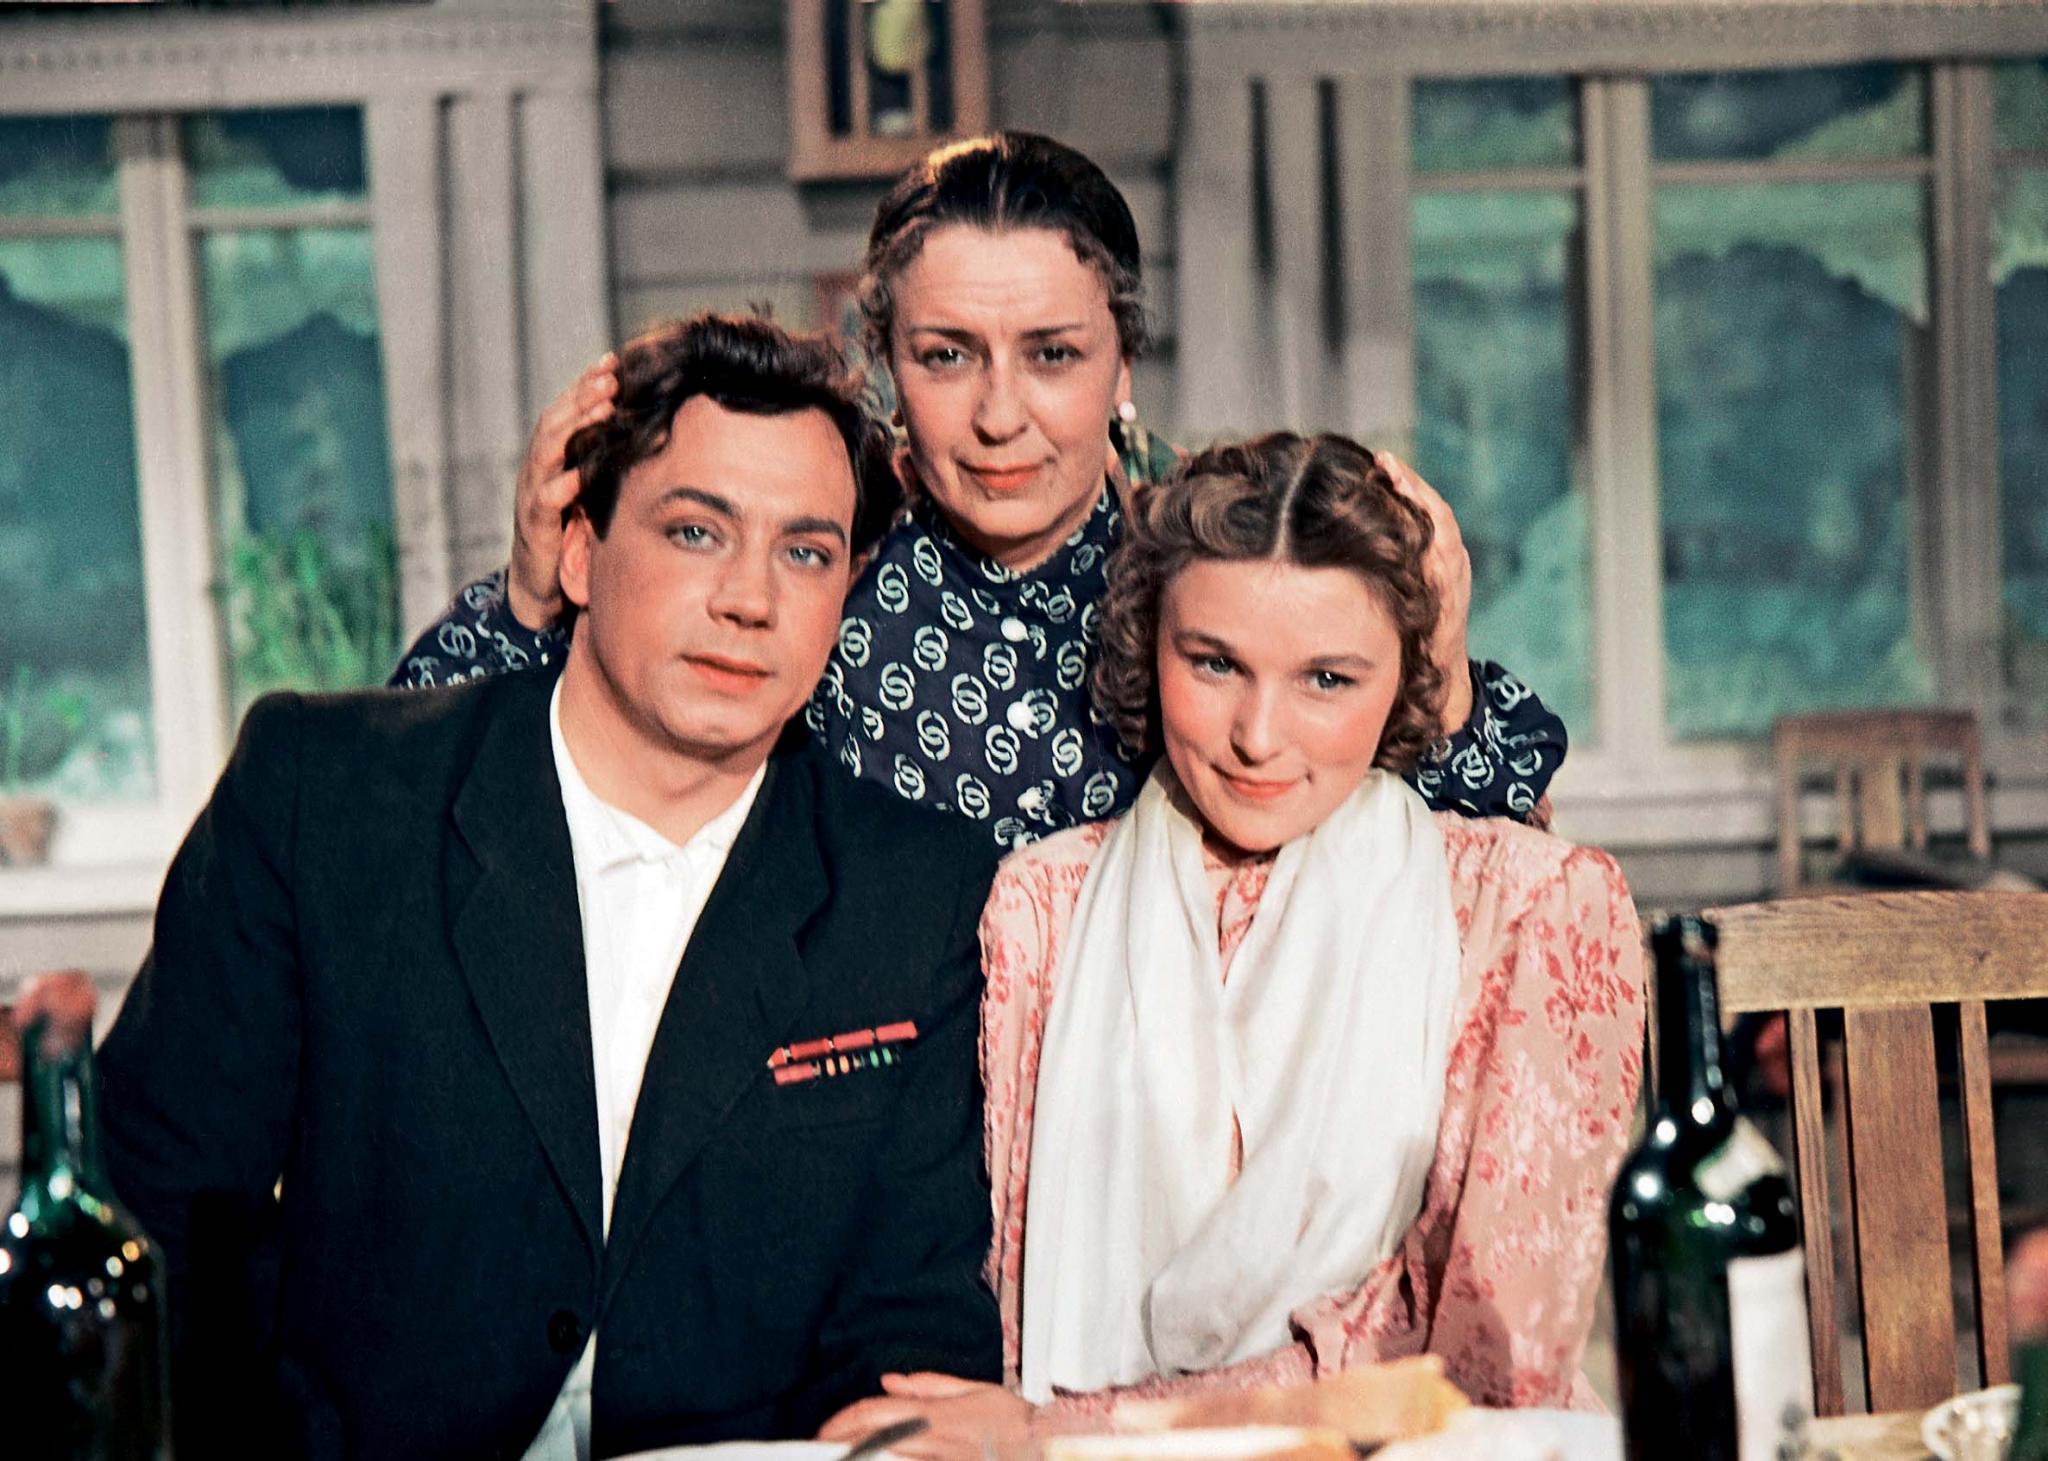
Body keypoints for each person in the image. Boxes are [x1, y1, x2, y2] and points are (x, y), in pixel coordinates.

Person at [95, 314, 1003, 1461]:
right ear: (579, 551)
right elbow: (160, 1225)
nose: (749, 599)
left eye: (805, 554)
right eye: (695, 532)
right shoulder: (323, 796)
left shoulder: (914, 890)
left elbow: (909, 1318)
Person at [819, 433, 1644, 1459]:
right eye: (1213, 663)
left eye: (1326, 679)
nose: (1258, 734)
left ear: (1408, 674)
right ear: (1147, 644)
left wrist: (1070, 1429)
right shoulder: (1041, 902)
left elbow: (1488, 1369)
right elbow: (1004, 1294)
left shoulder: (1535, 906)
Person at [395, 132, 1567, 846]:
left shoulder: (1216, 576)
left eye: (1051, 355)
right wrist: (530, 598)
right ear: (885, 363)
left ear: (1122, 364)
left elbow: (1491, 853)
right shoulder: (816, 565)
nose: (999, 415)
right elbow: (424, 788)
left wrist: (1440, 668)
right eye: (947, 355)